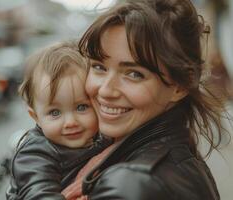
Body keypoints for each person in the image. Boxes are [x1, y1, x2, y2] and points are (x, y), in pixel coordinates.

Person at [62, 0, 230, 199]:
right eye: (99, 67)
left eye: (134, 74)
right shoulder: (174, 156)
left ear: (180, 86)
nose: (106, 90)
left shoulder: (132, 183)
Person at [6, 41, 112, 200]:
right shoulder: (35, 153)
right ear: (36, 117)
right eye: (55, 112)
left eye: (82, 107)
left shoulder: (104, 138)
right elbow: (38, 194)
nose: (70, 122)